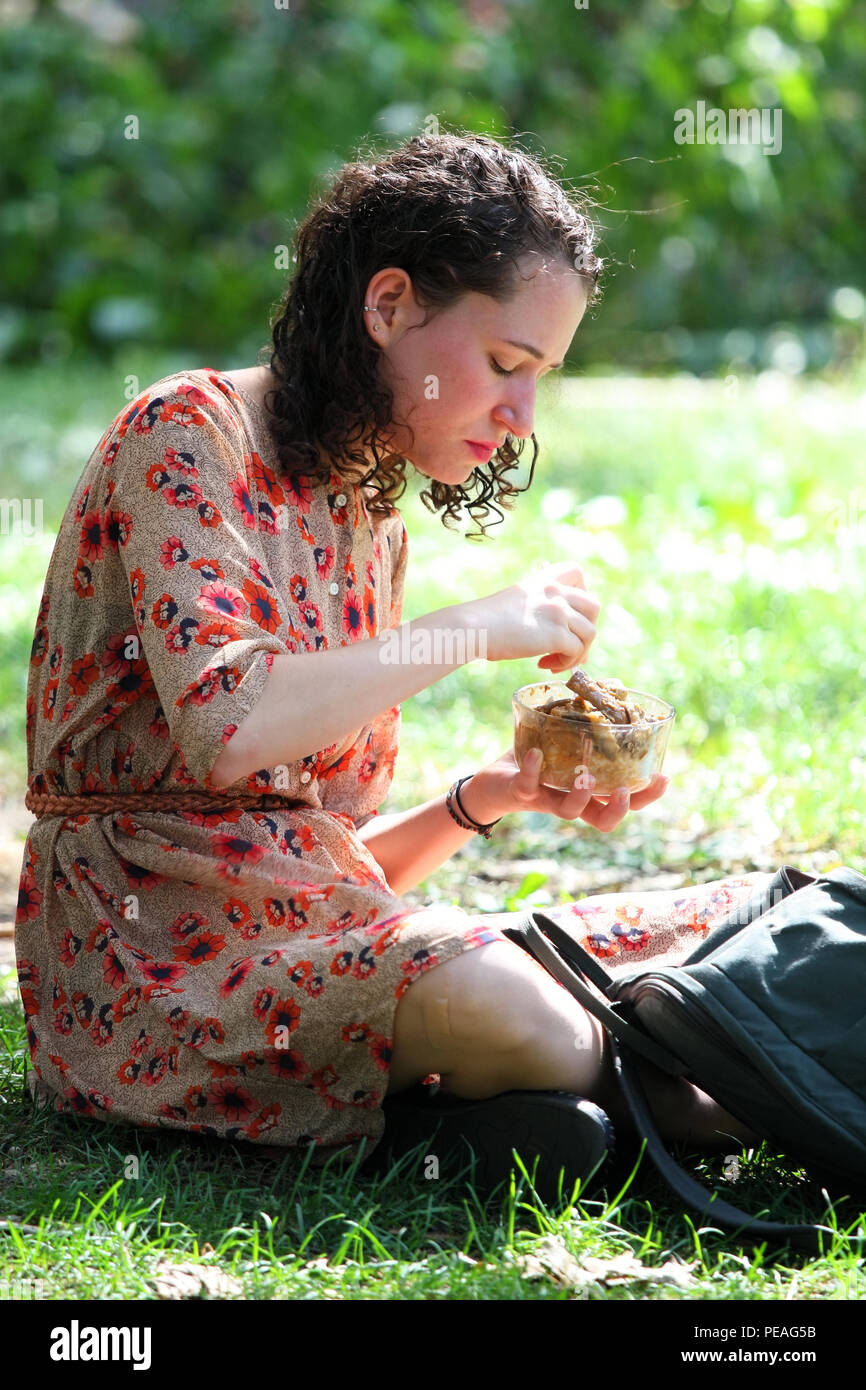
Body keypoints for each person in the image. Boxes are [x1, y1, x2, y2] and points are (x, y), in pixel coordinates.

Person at [16, 131, 762, 1199]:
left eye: (539, 380)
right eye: (507, 366)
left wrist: (481, 800)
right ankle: (721, 1094)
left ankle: (529, 1113)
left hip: (306, 934)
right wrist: (467, 628)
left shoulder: (367, 509)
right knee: (518, 1004)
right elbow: (232, 728)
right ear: (389, 305)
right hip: (151, 969)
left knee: (697, 923)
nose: (519, 420)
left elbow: (317, 855)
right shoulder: (188, 433)